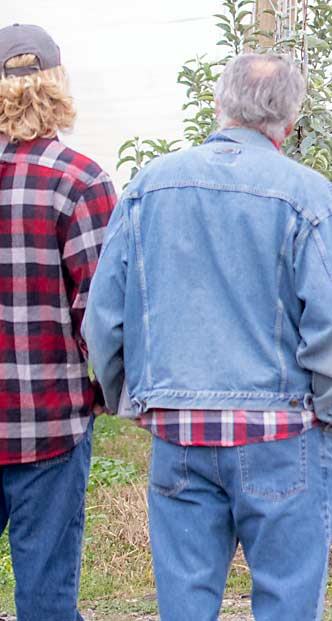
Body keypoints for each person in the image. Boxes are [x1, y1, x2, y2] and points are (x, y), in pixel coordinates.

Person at [83, 54, 332, 621]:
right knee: (287, 603)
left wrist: (130, 397)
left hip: (180, 430)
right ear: (292, 117)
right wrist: (327, 407)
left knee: (184, 607)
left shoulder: (149, 187)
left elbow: (104, 318)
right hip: (283, 432)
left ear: (219, 102)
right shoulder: (308, 196)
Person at [0, 23, 116, 621]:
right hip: (47, 421)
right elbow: (103, 316)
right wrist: (110, 392)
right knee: (45, 595)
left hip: (40, 420)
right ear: (58, 84)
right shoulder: (82, 181)